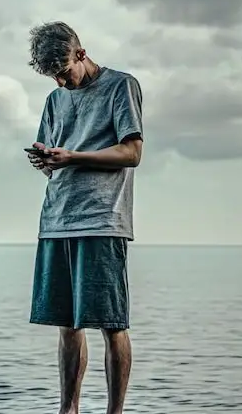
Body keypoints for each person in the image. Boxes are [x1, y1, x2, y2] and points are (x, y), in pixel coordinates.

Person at [25, 21, 143, 414]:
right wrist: (47, 160)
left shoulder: (120, 86)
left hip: (102, 219)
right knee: (67, 324)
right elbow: (54, 160)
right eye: (52, 76)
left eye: (64, 72)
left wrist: (73, 157)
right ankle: (68, 410)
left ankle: (115, 412)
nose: (60, 82)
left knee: (112, 323)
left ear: (81, 53)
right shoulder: (55, 100)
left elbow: (132, 153)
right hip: (57, 219)